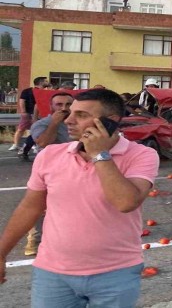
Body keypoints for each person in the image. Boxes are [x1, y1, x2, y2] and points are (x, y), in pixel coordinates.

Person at [0, 88, 160, 307]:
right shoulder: (50, 155)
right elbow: (30, 208)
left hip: (115, 272)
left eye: (81, 115)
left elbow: (126, 202)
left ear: (110, 121)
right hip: (53, 273)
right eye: (70, 113)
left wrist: (99, 154)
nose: (69, 120)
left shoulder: (142, 155)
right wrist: (2, 253)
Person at [22, 92, 74, 256]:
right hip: (49, 171)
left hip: (74, 170)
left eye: (68, 104)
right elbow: (44, 142)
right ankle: (34, 241)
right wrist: (54, 123)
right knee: (40, 206)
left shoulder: (78, 123)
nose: (64, 108)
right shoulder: (41, 124)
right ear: (51, 107)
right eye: (59, 104)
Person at [9, 76, 47, 151]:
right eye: (46, 81)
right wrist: (23, 112)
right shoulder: (27, 91)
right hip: (28, 113)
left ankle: (34, 145)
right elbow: (22, 101)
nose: (47, 82)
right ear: (41, 82)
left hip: (39, 114)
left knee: (38, 130)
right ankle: (16, 144)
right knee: (21, 129)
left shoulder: (44, 92)